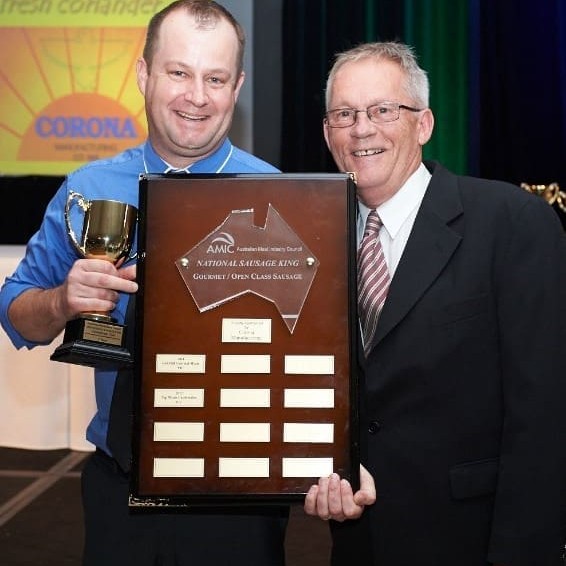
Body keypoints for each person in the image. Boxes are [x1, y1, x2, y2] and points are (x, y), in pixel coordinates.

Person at [0, 2, 288, 565]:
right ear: (143, 75)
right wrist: (62, 300)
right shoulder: (89, 188)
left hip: (239, 491)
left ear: (238, 87)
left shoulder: (279, 198)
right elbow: (15, 311)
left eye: (216, 78)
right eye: (179, 72)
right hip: (120, 489)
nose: (197, 96)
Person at [304, 41, 566, 566]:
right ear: (328, 132)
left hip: (476, 541)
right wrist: (319, 468)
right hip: (358, 544)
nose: (362, 129)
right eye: (345, 114)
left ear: (423, 125)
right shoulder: (311, 241)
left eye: (382, 110)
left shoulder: (512, 223)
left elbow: (544, 415)